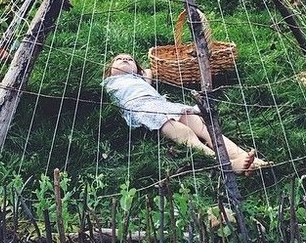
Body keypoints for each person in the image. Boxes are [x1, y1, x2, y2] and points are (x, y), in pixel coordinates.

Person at [102, 53, 269, 175]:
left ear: (137, 71)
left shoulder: (139, 78)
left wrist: (135, 71)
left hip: (161, 104)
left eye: (130, 59)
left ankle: (242, 156)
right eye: (119, 59)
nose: (124, 60)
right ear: (109, 70)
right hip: (140, 107)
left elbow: (147, 71)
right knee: (184, 132)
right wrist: (126, 69)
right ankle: (227, 164)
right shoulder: (109, 82)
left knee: (203, 126)